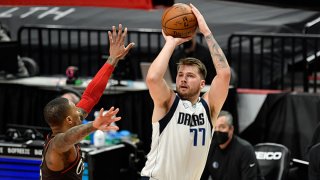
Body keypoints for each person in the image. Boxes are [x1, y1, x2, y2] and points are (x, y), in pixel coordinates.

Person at [140, 4, 231, 180]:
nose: (183, 79)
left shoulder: (208, 108)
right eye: (180, 74)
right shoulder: (168, 102)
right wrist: (171, 43)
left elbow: (224, 74)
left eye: (190, 76)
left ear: (203, 83)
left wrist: (206, 32)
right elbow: (152, 79)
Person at [40, 24, 135, 180]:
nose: (81, 111)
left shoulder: (68, 127)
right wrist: (94, 125)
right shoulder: (57, 146)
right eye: (76, 111)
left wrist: (112, 60)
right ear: (69, 120)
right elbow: (68, 138)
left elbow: (90, 96)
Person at [201, 111, 263, 180]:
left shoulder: (245, 150)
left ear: (231, 129)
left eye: (222, 127)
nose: (217, 130)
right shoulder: (210, 148)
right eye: (215, 127)